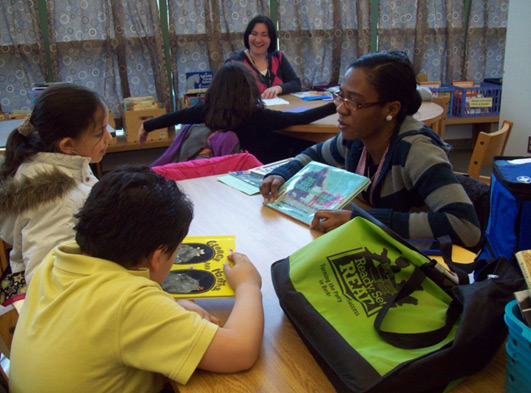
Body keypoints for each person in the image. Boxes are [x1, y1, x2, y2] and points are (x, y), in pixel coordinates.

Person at [9, 164, 264, 393]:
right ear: (157, 257)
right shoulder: (129, 302)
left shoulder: (57, 258)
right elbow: (240, 350)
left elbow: (96, 318)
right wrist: (247, 285)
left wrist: (170, 307)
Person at [260, 51, 481, 250]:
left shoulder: (416, 150)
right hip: (380, 244)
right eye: (341, 96)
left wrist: (364, 218)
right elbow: (317, 154)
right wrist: (284, 172)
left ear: (391, 109)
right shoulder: (357, 139)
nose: (341, 108)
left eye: (354, 102)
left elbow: (466, 227)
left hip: (420, 256)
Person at [0, 83, 112, 287]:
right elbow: (47, 283)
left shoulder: (50, 162)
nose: (109, 137)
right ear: (68, 145)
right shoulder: (59, 203)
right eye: (99, 133)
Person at [138, 61, 336, 164]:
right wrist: (335, 105)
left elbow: (178, 116)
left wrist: (148, 125)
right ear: (248, 88)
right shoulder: (257, 115)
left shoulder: (208, 111)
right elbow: (301, 118)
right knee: (300, 143)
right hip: (261, 166)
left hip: (232, 168)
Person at [227, 15, 301, 99]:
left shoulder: (277, 57)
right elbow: (225, 95)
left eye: (264, 35)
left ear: (271, 38)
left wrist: (279, 88)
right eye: (254, 34)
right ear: (247, 36)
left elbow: (296, 83)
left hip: (280, 109)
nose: (258, 40)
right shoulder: (235, 63)